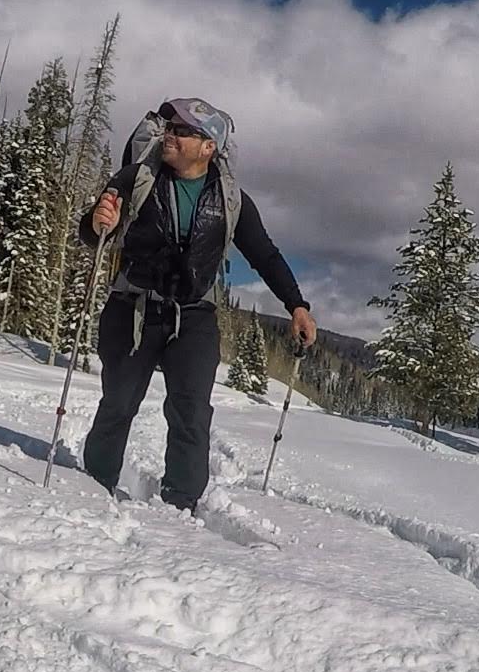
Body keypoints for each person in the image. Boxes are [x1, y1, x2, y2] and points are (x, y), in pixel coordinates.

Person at [79, 97, 317, 514]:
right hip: (132, 307)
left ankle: (180, 506)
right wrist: (98, 221)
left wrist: (296, 305)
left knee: (191, 412)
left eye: (182, 131)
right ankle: (93, 487)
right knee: (118, 402)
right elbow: (94, 231)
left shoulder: (231, 201)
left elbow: (266, 256)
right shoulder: (136, 177)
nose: (170, 135)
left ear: (208, 146)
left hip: (193, 314)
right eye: (169, 128)